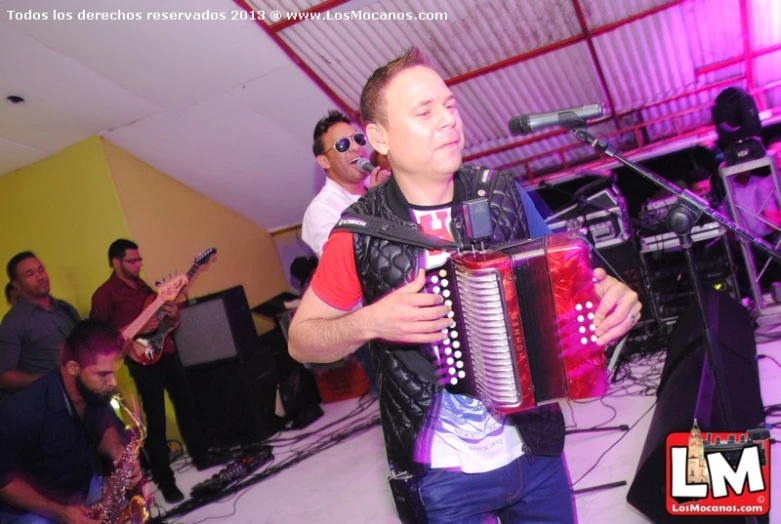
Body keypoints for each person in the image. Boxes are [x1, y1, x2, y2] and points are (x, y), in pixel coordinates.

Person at [288, 48, 641, 523]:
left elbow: (568, 278)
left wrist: (608, 296)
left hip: (535, 446)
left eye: (450, 106)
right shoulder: (358, 234)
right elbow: (302, 340)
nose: (447, 120)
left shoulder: (503, 193)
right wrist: (369, 321)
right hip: (440, 476)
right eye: (424, 111)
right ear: (379, 137)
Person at [90, 239, 213, 503]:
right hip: (142, 362)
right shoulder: (105, 294)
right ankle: (165, 482)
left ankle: (202, 456)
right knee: (155, 423)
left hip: (167, 351)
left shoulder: (145, 287)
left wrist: (172, 316)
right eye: (132, 261)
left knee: (187, 406)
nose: (138, 264)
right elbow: (99, 337)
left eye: (139, 259)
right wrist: (133, 331)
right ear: (115, 262)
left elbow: (167, 324)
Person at [0, 319, 143, 524]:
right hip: (33, 508)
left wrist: (118, 452)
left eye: (115, 372)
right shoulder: (23, 411)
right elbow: (3, 481)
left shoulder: (92, 391)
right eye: (103, 374)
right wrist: (61, 512)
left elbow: (102, 423)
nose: (112, 383)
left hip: (80, 486)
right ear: (73, 368)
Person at [301, 110, 392, 258]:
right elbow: (342, 262)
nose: (356, 147)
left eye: (358, 139)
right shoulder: (320, 211)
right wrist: (375, 204)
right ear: (324, 161)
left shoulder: (379, 184)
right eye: (342, 144)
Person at [0, 253, 80, 400]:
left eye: (41, 270)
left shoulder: (65, 309)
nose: (40, 277)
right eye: (30, 274)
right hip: (50, 401)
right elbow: (5, 378)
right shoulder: (13, 321)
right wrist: (55, 378)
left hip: (84, 394)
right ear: (17, 285)